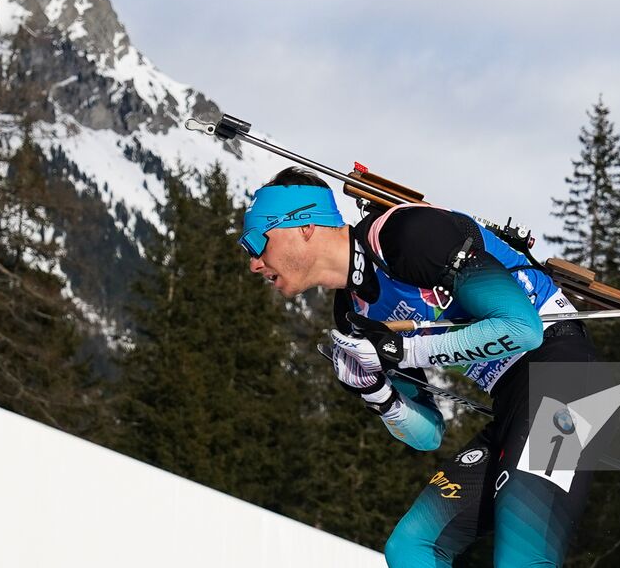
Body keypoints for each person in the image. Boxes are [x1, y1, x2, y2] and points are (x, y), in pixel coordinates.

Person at [239, 166, 600, 567]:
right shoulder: (355, 315)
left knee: (521, 555)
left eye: (256, 241)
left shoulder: (404, 235)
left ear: (303, 226)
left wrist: (397, 351)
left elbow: (523, 329)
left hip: (567, 377)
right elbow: (429, 433)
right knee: (411, 546)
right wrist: (378, 394)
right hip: (513, 400)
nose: (254, 263)